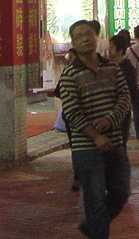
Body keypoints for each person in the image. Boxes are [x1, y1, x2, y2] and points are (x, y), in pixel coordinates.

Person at [57, 20, 131, 239]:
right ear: (73, 43)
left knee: (121, 192)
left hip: (115, 143)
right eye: (79, 36)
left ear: (96, 37)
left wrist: (110, 119)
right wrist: (96, 136)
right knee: (95, 199)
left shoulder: (112, 67)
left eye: (88, 34)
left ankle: (92, 228)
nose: (85, 39)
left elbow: (125, 97)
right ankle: (98, 233)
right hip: (86, 149)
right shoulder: (69, 75)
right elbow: (72, 112)